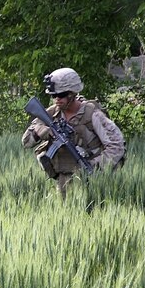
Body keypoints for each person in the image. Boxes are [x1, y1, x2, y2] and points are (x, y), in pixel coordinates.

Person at [21, 67, 126, 198]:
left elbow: (117, 146)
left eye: (61, 95)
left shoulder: (92, 115)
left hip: (92, 180)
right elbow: (26, 142)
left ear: (72, 93)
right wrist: (38, 132)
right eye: (53, 95)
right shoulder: (51, 114)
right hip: (63, 182)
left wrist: (93, 166)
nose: (57, 99)